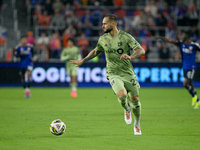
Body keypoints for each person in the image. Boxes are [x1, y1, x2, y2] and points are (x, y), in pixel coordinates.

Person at [70, 14, 145, 135]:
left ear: (113, 24)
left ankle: (137, 124)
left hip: (127, 73)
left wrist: (130, 56)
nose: (102, 26)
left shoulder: (125, 37)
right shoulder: (102, 39)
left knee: (135, 99)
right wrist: (83, 60)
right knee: (122, 94)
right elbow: (96, 51)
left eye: (105, 23)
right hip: (112, 73)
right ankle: (126, 109)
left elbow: (141, 50)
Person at [153, 30, 200, 109]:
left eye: (183, 35)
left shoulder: (194, 45)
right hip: (185, 67)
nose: (181, 36)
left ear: (187, 36)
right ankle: (197, 100)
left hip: (191, 68)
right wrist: (160, 37)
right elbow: (170, 41)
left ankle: (195, 97)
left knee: (185, 84)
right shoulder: (181, 44)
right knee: (190, 85)